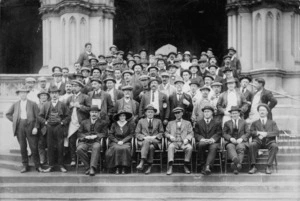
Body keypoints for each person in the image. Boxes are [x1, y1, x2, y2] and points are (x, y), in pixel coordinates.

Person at [6, 86, 43, 173]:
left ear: (27, 94)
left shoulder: (33, 103)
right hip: (20, 126)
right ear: (19, 94)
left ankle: (38, 166)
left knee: (34, 146)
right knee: (23, 147)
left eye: (25, 92)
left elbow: (38, 117)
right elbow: (8, 114)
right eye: (21, 93)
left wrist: (36, 127)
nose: (23, 94)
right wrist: (15, 121)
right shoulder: (16, 104)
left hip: (31, 125)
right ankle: (25, 166)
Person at [39, 86, 70, 173]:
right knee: (50, 146)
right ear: (50, 94)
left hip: (59, 127)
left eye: (56, 93)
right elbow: (40, 116)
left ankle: (61, 165)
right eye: (52, 93)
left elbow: (68, 116)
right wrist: (45, 122)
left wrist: (62, 122)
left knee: (60, 146)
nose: (54, 95)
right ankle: (50, 166)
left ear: (58, 94)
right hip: (49, 127)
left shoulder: (63, 104)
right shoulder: (46, 105)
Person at [76, 105, 108, 176]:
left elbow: (105, 133)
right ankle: (88, 167)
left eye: (96, 112)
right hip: (85, 141)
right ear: (90, 113)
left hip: (96, 141)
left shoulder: (103, 122)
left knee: (96, 147)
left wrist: (96, 136)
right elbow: (79, 133)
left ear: (98, 113)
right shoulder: (84, 122)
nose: (94, 114)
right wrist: (86, 136)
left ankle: (92, 168)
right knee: (79, 149)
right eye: (92, 112)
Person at [248, 104, 279, 174]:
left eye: (263, 110)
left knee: (274, 146)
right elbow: (251, 132)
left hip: (269, 142)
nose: (262, 112)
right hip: (258, 141)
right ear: (258, 112)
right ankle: (253, 166)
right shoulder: (254, 123)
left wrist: (266, 134)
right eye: (260, 110)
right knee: (252, 145)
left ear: (267, 112)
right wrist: (258, 133)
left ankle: (268, 166)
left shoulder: (272, 123)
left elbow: (276, 132)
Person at [66, 80, 91, 166]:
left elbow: (90, 109)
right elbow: (65, 109)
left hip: (82, 123)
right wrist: (70, 106)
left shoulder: (85, 97)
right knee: (72, 141)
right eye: (72, 86)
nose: (74, 88)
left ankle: (82, 159)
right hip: (72, 123)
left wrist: (80, 106)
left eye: (76, 86)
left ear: (80, 87)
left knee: (82, 140)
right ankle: (73, 159)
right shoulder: (69, 98)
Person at [135, 104, 164, 174]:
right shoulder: (141, 121)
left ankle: (142, 161)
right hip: (143, 141)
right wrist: (145, 137)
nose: (150, 113)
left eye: (152, 112)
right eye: (148, 112)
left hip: (155, 141)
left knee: (149, 143)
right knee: (150, 147)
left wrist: (154, 137)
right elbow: (137, 133)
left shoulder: (158, 121)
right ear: (145, 113)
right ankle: (149, 167)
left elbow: (162, 132)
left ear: (154, 113)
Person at [165, 107, 194, 175]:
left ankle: (186, 165)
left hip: (183, 142)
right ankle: (170, 166)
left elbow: (191, 133)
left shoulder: (187, 123)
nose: (177, 114)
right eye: (175, 113)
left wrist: (187, 138)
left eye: (179, 113)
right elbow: (166, 133)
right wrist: (170, 136)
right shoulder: (170, 123)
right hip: (174, 142)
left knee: (189, 148)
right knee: (170, 147)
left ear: (182, 113)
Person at [194, 105, 222, 175]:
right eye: (205, 112)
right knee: (201, 144)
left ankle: (207, 166)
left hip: (213, 142)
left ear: (212, 113)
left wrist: (212, 139)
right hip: (202, 142)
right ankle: (202, 164)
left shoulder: (217, 123)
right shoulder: (198, 123)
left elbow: (219, 133)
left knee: (214, 147)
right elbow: (195, 134)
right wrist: (202, 139)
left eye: (208, 112)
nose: (206, 113)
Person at [223, 106, 250, 174]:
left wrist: (241, 138)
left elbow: (248, 132)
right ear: (231, 114)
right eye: (233, 113)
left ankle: (235, 165)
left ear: (239, 114)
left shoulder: (244, 122)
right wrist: (230, 138)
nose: (234, 115)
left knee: (240, 147)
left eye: (236, 113)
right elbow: (224, 133)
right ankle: (238, 163)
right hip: (230, 142)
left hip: (241, 142)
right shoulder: (227, 123)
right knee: (230, 147)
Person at [37, 89, 50, 165]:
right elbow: (36, 117)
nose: (43, 97)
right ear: (39, 97)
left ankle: (49, 159)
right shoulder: (37, 105)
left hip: (49, 126)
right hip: (40, 127)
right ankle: (42, 159)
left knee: (49, 143)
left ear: (47, 97)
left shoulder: (50, 104)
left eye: (45, 95)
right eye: (41, 95)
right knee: (40, 144)